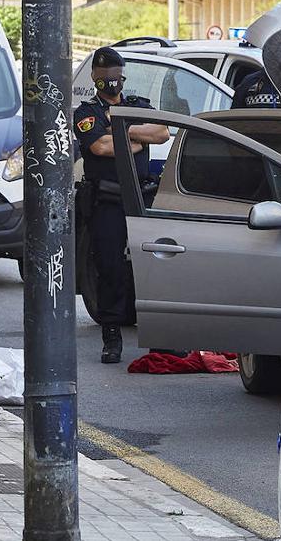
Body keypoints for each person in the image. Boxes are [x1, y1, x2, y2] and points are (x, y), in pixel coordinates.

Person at [73, 47, 170, 365]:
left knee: (154, 267)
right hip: (107, 202)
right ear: (95, 79)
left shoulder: (137, 106)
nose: (110, 83)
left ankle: (162, 337)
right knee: (110, 270)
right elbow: (99, 146)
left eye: (114, 76)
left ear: (122, 76)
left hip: (140, 200)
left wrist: (124, 127)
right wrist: (135, 140)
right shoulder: (86, 113)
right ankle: (111, 336)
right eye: (103, 78)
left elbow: (161, 132)